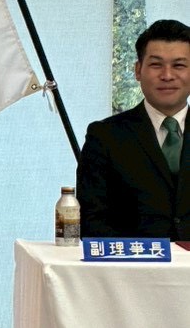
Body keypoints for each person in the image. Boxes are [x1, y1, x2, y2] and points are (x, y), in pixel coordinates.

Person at [76, 18, 190, 238]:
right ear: (138, 70)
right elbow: (91, 220)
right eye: (156, 65)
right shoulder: (105, 137)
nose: (167, 75)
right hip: (132, 259)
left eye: (179, 65)